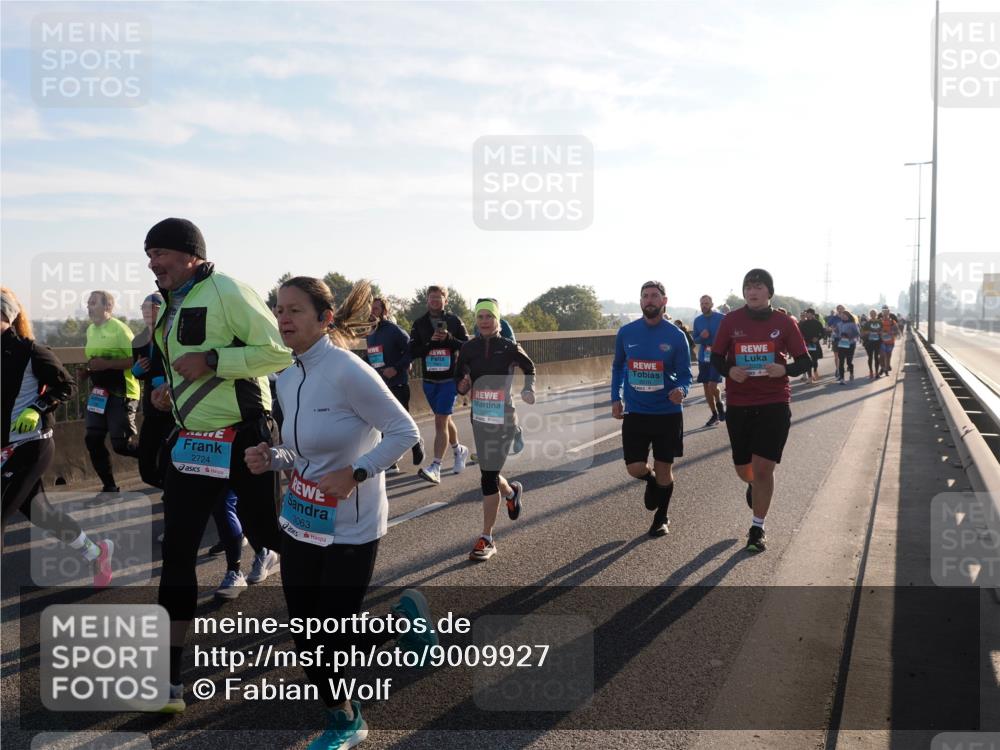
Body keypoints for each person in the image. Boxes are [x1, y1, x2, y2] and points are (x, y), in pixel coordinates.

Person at [245, 276, 432, 749]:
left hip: (353, 523)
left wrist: (358, 472)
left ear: (325, 319)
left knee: (330, 635)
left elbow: (404, 432)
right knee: (308, 634)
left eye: (295, 311)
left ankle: (347, 721)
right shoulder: (286, 377)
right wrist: (273, 457)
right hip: (302, 521)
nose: (283, 319)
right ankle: (356, 691)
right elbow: (301, 452)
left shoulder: (348, 370)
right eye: (279, 310)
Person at [145, 217, 292, 712]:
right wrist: (169, 395)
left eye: (159, 252)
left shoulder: (228, 290)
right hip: (192, 444)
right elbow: (175, 363)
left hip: (244, 436)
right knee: (178, 552)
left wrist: (214, 361)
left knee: (271, 535)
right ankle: (168, 679)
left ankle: (333, 616)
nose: (151, 262)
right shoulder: (169, 304)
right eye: (147, 253)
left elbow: (279, 352)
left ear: (189, 254)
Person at [2, 288, 114, 587]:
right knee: (43, 515)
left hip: (31, 444)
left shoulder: (32, 351)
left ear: (5, 316)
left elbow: (66, 386)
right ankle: (95, 552)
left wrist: (36, 408)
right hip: (4, 449)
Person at [710, 269, 810, 553]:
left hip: (773, 402)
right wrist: (730, 369)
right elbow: (716, 358)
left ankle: (757, 528)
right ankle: (753, 487)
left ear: (769, 292)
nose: (752, 291)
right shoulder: (731, 321)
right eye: (748, 287)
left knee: (764, 468)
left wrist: (785, 369)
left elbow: (805, 361)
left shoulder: (784, 322)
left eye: (758, 286)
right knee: (746, 470)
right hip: (740, 404)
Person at [455, 299, 536, 561]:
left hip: (504, 418)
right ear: (476, 321)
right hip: (480, 417)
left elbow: (529, 367)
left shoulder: (509, 347)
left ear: (497, 319)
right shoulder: (468, 348)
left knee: (488, 476)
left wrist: (527, 388)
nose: (485, 321)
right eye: (481, 317)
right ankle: (511, 493)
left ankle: (487, 537)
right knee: (489, 472)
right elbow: (459, 381)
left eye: (489, 316)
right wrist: (464, 385)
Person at [611, 281, 691, 538]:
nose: (649, 300)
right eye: (645, 296)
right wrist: (616, 396)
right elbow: (618, 367)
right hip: (636, 411)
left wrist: (682, 390)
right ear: (640, 301)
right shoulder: (627, 332)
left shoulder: (676, 336)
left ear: (664, 301)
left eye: (654, 296)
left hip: (667, 413)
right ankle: (651, 480)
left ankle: (661, 517)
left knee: (665, 469)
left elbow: (686, 375)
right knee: (635, 468)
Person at [79, 290, 140, 501]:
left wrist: (107, 364)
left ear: (107, 307)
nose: (89, 307)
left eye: (93, 303)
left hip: (122, 392)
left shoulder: (120, 330)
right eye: (88, 303)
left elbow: (136, 361)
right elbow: (95, 359)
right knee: (92, 439)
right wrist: (87, 371)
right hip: (99, 394)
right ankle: (109, 488)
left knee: (121, 445)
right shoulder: (90, 330)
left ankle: (160, 462)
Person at [409, 286, 471, 484]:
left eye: (438, 297)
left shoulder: (454, 321)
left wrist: (449, 339)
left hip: (449, 380)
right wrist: (429, 343)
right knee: (443, 419)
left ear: (446, 300)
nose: (434, 301)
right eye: (431, 298)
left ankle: (435, 466)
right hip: (429, 381)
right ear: (427, 301)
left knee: (440, 421)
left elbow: (467, 346)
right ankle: (458, 450)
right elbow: (413, 350)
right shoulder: (419, 323)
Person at [366, 297, 423, 475]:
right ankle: (390, 463)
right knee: (383, 423)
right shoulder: (370, 332)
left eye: (376, 309)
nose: (373, 312)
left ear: (385, 311)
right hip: (380, 384)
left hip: (397, 383)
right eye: (371, 309)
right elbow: (373, 356)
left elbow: (411, 351)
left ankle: (416, 443)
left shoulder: (394, 331)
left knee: (401, 421)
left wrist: (396, 368)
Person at [692, 295, 726, 426]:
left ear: (712, 304)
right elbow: (695, 339)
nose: (704, 306)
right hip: (703, 356)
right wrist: (701, 336)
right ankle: (714, 414)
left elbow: (728, 335)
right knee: (706, 387)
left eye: (706, 303)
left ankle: (719, 402)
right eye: (702, 303)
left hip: (717, 354)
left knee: (713, 385)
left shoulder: (721, 318)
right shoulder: (698, 320)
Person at [797, 309, 825, 384]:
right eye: (806, 313)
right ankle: (810, 377)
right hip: (807, 344)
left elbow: (822, 332)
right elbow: (800, 333)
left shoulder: (817, 323)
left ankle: (815, 370)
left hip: (815, 344)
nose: (806, 315)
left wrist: (818, 338)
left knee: (815, 360)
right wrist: (804, 339)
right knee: (808, 361)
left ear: (812, 314)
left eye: (808, 313)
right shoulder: (804, 323)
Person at [833, 309, 860, 384]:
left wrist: (849, 336)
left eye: (845, 315)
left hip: (851, 344)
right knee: (841, 361)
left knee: (849, 361)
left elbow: (857, 333)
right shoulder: (839, 324)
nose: (843, 316)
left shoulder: (853, 324)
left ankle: (851, 373)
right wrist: (836, 334)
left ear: (848, 316)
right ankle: (842, 378)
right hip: (841, 344)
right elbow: (836, 333)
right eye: (842, 315)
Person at [859, 309, 882, 379]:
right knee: (870, 357)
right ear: (870, 314)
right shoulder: (867, 323)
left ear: (876, 314)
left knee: (876, 357)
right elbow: (862, 333)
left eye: (874, 313)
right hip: (869, 342)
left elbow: (884, 330)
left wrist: (879, 332)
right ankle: (871, 371)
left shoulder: (880, 322)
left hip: (878, 342)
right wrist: (867, 332)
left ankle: (877, 372)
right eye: (871, 313)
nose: (873, 315)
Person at [878, 306, 900, 377]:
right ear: (882, 313)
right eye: (883, 312)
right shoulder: (879, 321)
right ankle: (883, 367)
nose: (885, 314)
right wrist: (880, 332)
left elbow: (897, 331)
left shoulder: (892, 322)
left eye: (886, 312)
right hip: (882, 341)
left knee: (888, 356)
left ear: (888, 313)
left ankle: (886, 369)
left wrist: (891, 332)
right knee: (882, 356)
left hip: (890, 342)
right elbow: (876, 330)